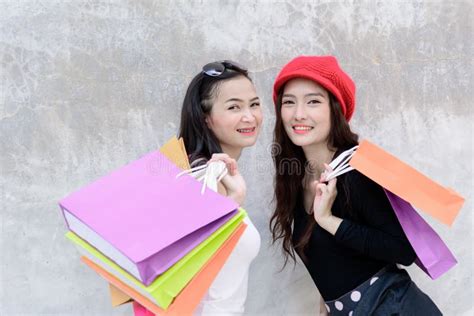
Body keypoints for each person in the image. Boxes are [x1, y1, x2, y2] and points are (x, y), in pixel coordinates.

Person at [269, 56, 441, 315]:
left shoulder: (355, 173)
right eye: (289, 102)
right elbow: (330, 260)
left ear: (335, 108)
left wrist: (328, 220)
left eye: (313, 101)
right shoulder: (295, 177)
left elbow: (403, 250)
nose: (298, 114)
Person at [179, 60, 262, 315]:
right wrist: (232, 201)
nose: (249, 116)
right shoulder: (203, 181)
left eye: (254, 104)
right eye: (234, 106)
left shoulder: (218, 175)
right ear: (206, 118)